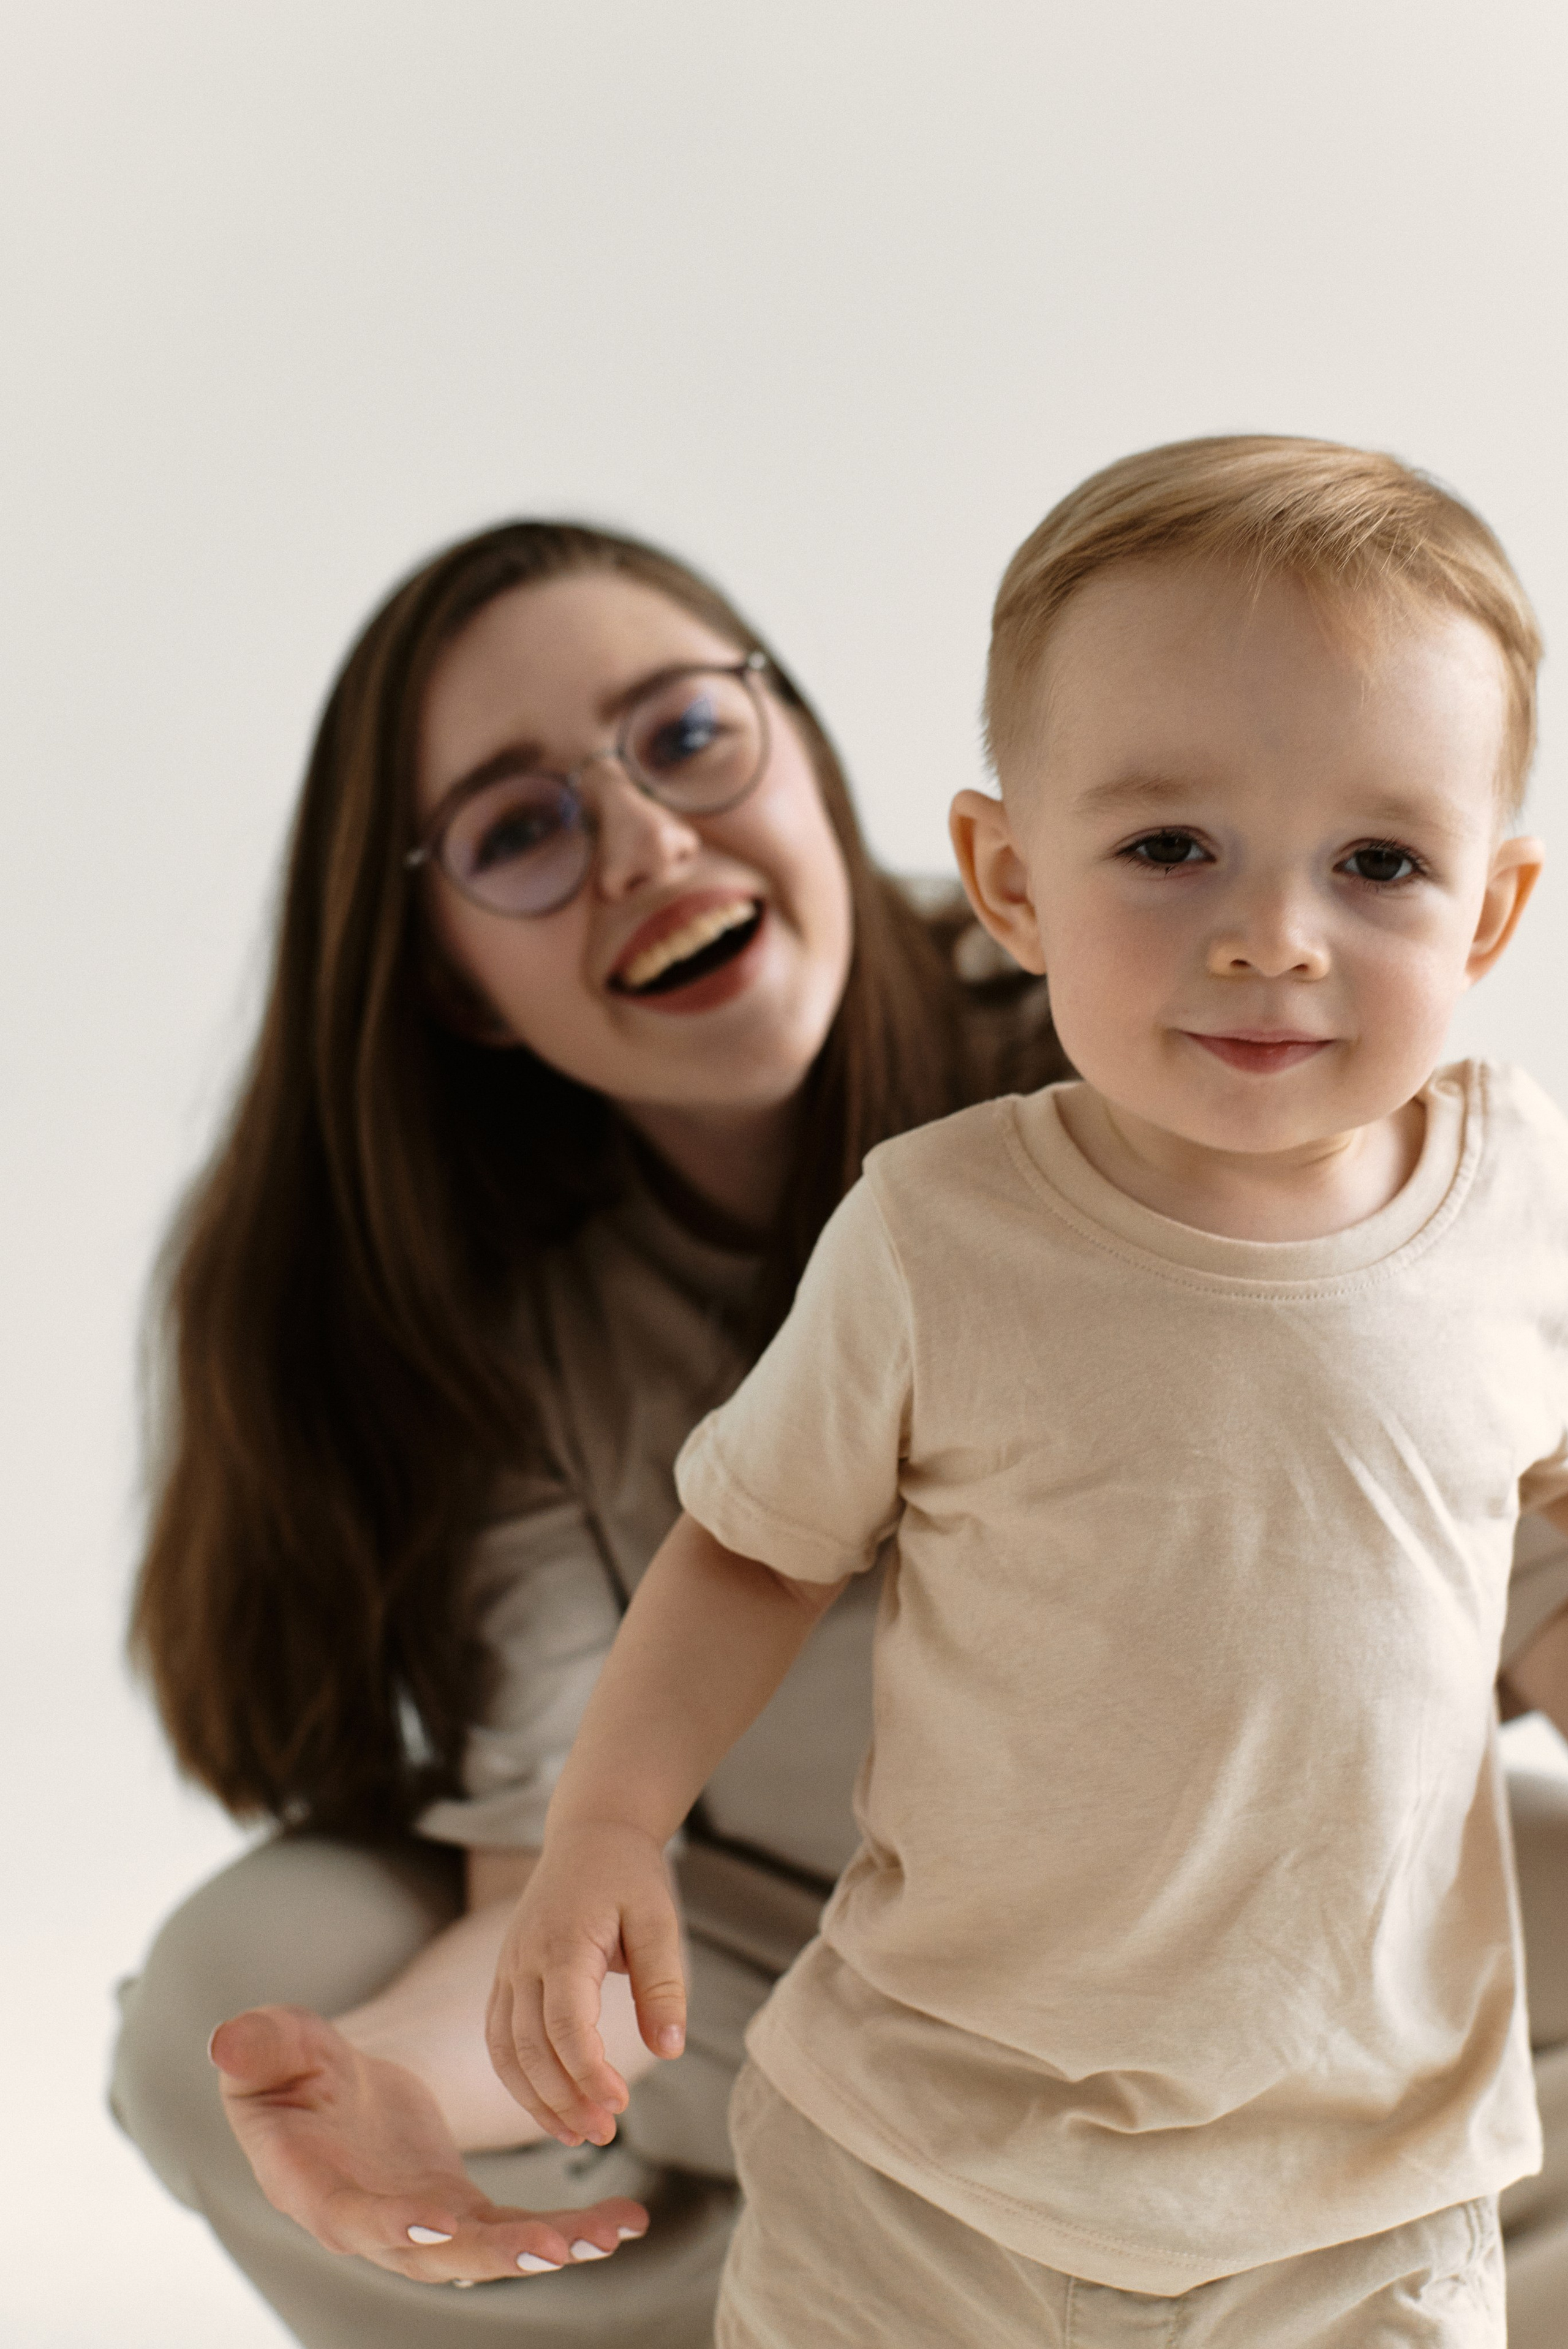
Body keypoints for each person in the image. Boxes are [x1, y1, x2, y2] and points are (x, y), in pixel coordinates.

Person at [489, 440, 1568, 2348]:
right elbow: (747, 1548)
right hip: (921, 2162)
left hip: (1364, 2189)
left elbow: (1546, 1540)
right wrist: (604, 1829)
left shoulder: (1519, 1210)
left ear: (1490, 913)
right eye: (1170, 847)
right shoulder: (938, 1234)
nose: (1275, 934)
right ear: (1009, 877)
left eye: (1381, 861)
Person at [110, 516, 1072, 2348]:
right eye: (521, 828)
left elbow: (1502, 1509)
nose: (640, 840)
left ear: (806, 743)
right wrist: (378, 2085)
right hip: (824, 2009)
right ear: (461, 973)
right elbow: (547, 1902)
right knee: (220, 2013)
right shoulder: (522, 1327)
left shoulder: (1111, 1022)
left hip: (1270, 1942)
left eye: (688, 736)